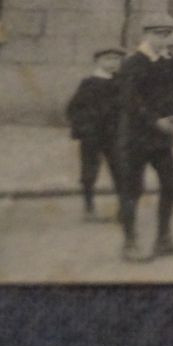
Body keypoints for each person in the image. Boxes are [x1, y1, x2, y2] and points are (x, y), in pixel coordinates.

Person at [115, 14, 173, 262]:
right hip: (137, 136)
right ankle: (130, 242)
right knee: (132, 189)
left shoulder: (169, 60)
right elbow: (130, 101)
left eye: (168, 35)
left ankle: (163, 238)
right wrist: (157, 121)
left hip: (162, 138)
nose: (163, 39)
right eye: (158, 34)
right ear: (146, 34)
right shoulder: (133, 62)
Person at [64, 46, 125, 220]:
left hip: (114, 135)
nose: (112, 63)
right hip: (93, 135)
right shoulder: (89, 83)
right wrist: (84, 128)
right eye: (108, 59)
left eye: (116, 59)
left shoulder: (122, 82)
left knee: (121, 170)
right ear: (97, 61)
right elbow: (73, 109)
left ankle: (123, 209)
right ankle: (89, 208)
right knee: (89, 172)